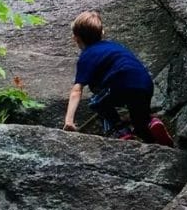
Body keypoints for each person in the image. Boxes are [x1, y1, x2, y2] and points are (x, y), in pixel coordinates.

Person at [63, 10, 171, 145]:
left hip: (119, 85)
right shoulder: (115, 46)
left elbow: (76, 91)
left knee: (96, 102)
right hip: (144, 84)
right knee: (140, 124)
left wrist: (69, 121)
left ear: (76, 38)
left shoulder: (87, 55)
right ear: (102, 33)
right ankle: (152, 124)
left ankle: (120, 131)